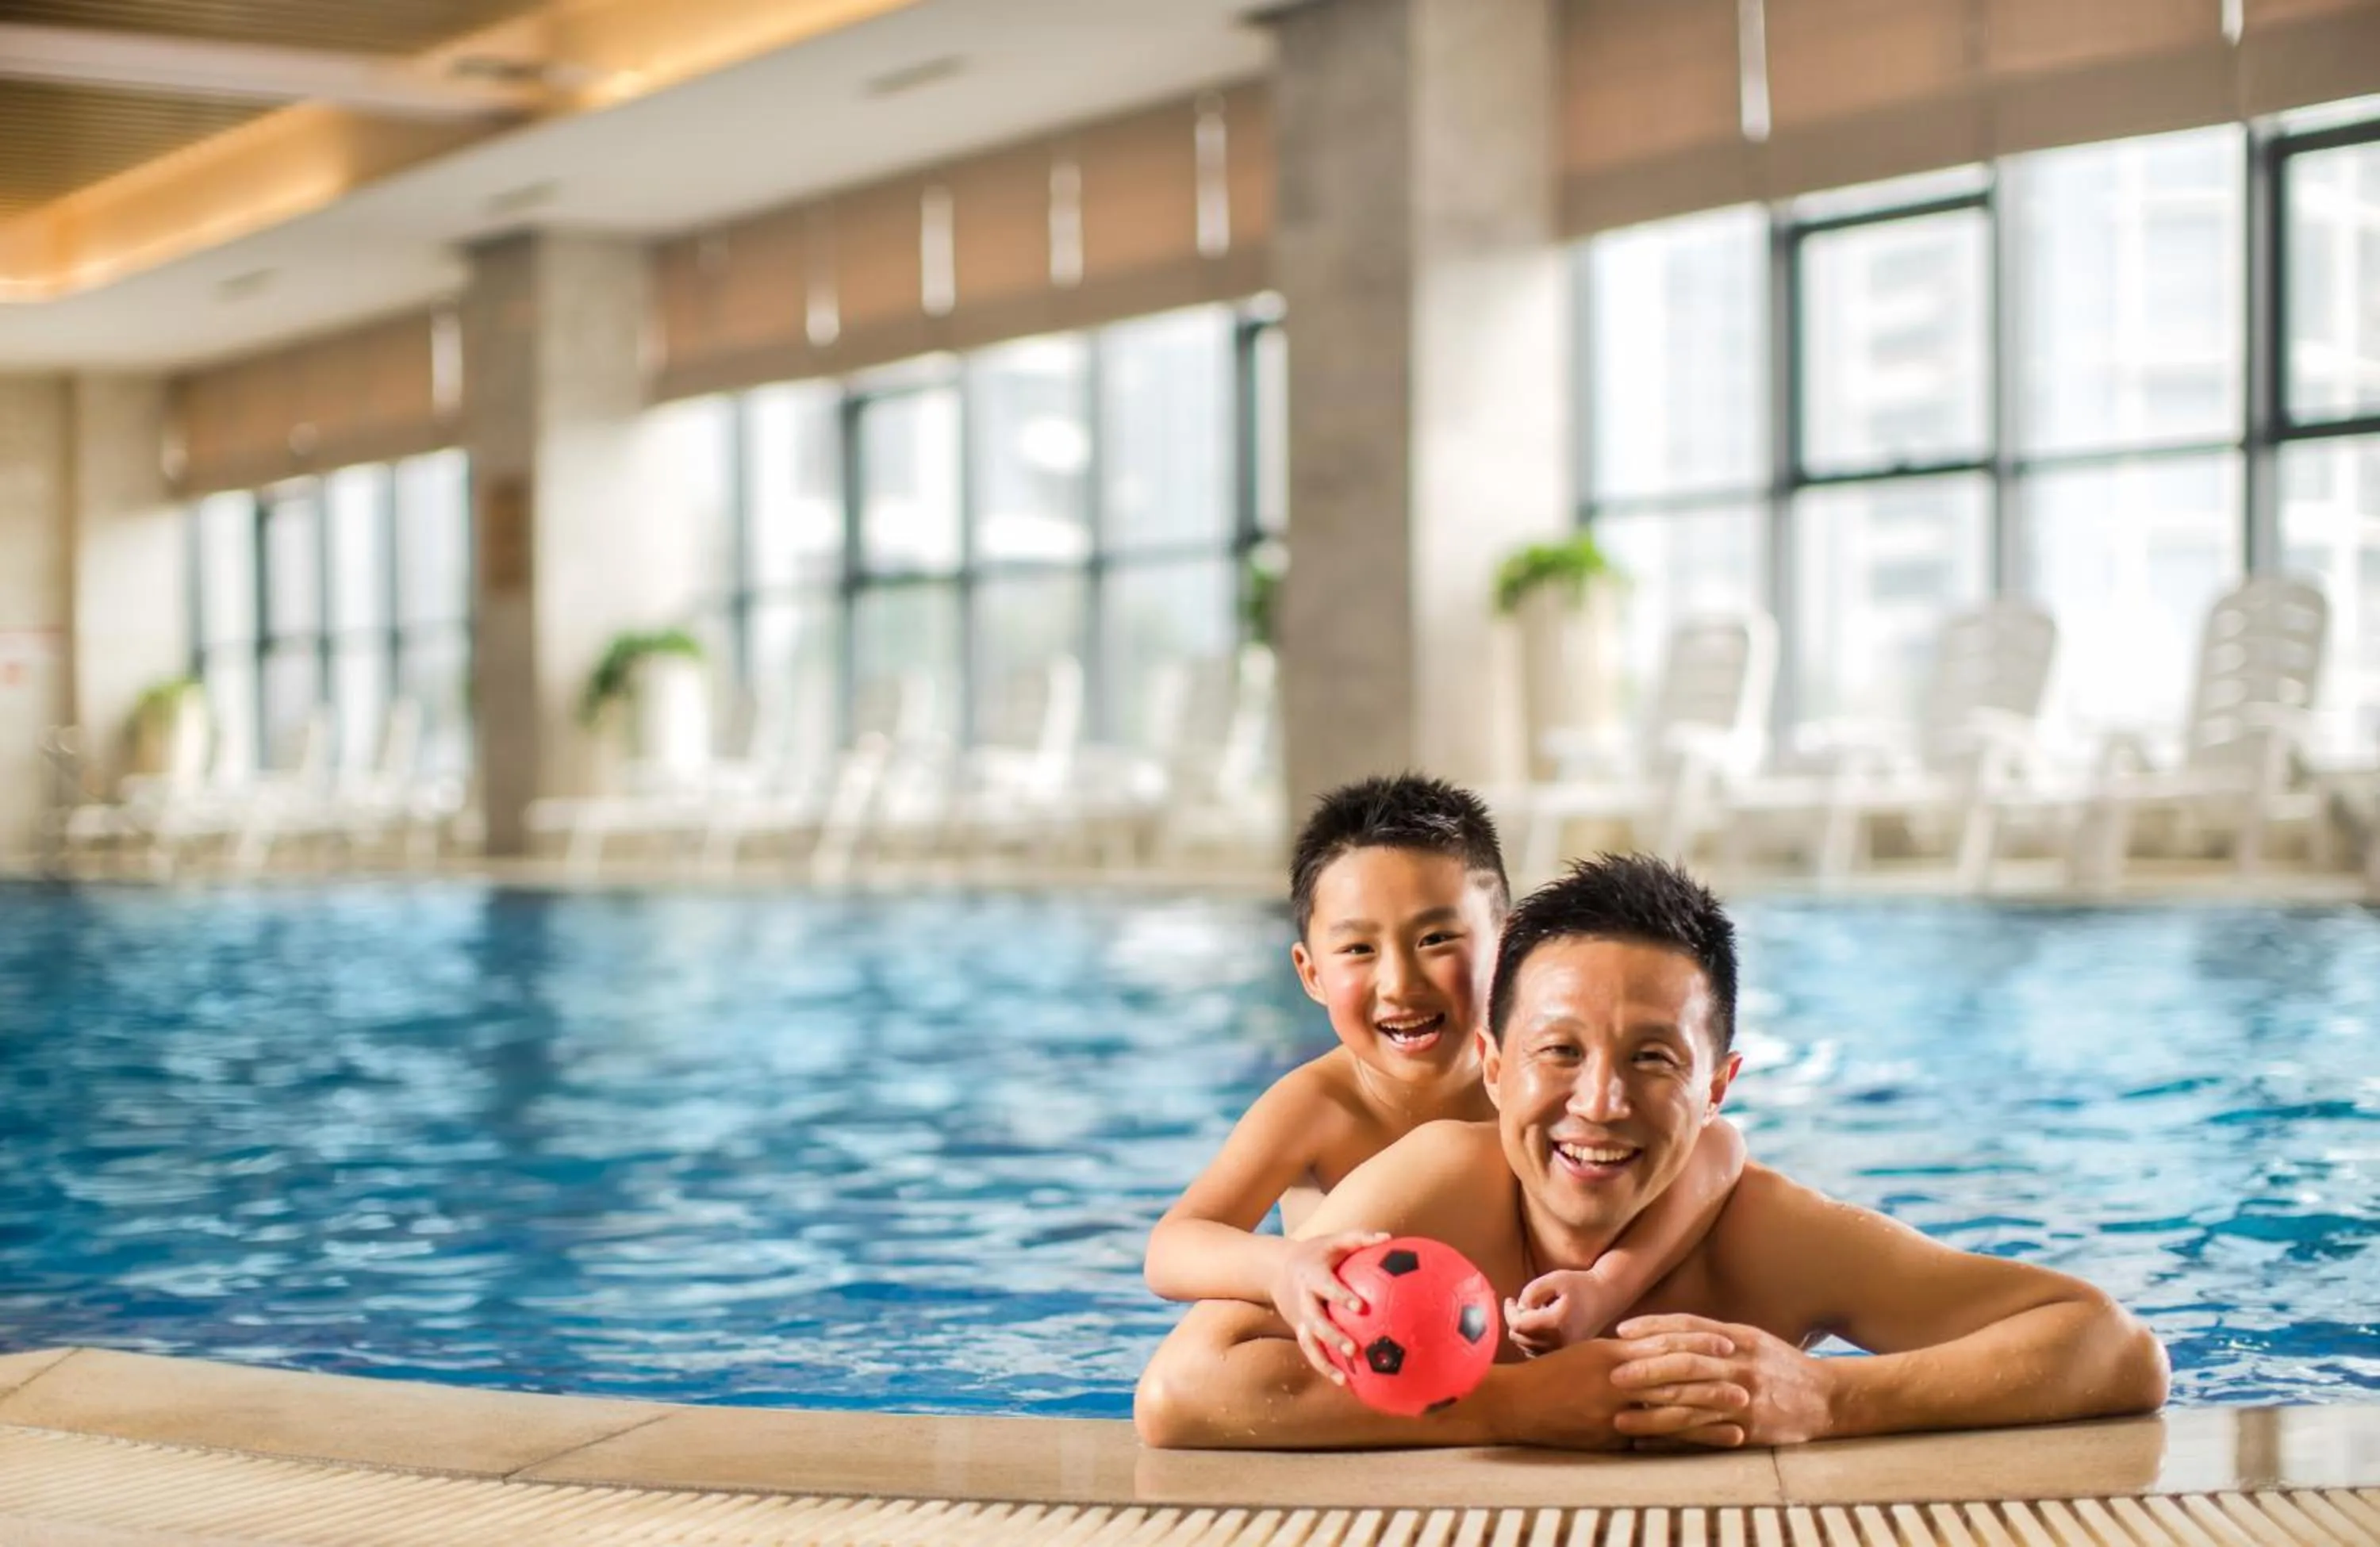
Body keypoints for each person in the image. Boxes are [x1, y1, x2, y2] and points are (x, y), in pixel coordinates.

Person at [1135, 854, 2170, 1450]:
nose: (1600, 1103)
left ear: (1719, 1085)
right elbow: (1182, 1391)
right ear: (1492, 1065)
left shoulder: (1769, 1238)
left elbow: (2112, 1344)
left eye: (1653, 1058)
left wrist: (1831, 1397)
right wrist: (1522, 1401)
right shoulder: (1440, 1188)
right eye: (1559, 1052)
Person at [1142, 777, 1744, 1384]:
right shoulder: (1319, 1106)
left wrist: (1612, 1284)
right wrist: (1284, 1267)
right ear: (1311, 972)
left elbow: (1717, 1147)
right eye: (1357, 950)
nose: (1401, 983)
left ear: (1507, 943)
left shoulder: (1544, 1083)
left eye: (1437, 939)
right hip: (1381, 1384)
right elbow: (1174, 1245)